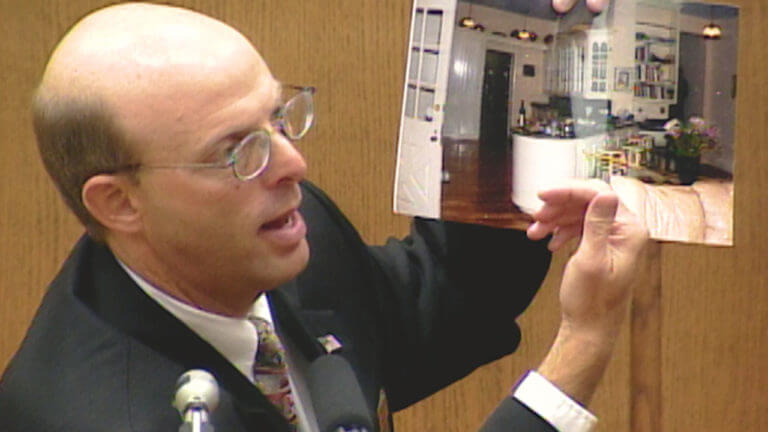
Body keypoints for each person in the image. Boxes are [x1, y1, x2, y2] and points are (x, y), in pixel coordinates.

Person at [0, 1, 645, 431]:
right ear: (120, 202)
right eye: (237, 152)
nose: (294, 165)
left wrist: (526, 12)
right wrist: (585, 341)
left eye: (278, 119)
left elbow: (440, 300)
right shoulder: (89, 414)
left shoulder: (268, 229)